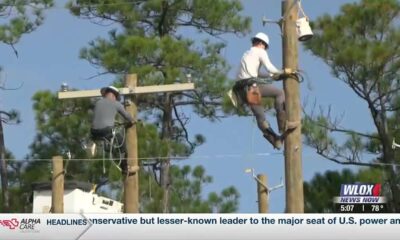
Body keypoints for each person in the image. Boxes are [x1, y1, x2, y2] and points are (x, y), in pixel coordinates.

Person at [234, 32, 299, 150]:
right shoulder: (260, 51)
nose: (265, 48)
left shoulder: (246, 54)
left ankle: (276, 140)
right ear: (261, 43)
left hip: (242, 91)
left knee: (261, 118)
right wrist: (285, 72)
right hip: (251, 88)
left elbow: (259, 74)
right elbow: (270, 69)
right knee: (280, 93)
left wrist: (274, 76)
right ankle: (283, 125)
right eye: (265, 46)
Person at [91, 86, 138, 174]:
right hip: (106, 130)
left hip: (94, 132)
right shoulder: (116, 103)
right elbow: (127, 116)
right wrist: (133, 120)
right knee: (121, 142)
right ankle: (125, 168)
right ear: (113, 95)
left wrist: (114, 122)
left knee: (110, 142)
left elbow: (102, 117)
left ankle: (106, 149)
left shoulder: (98, 102)